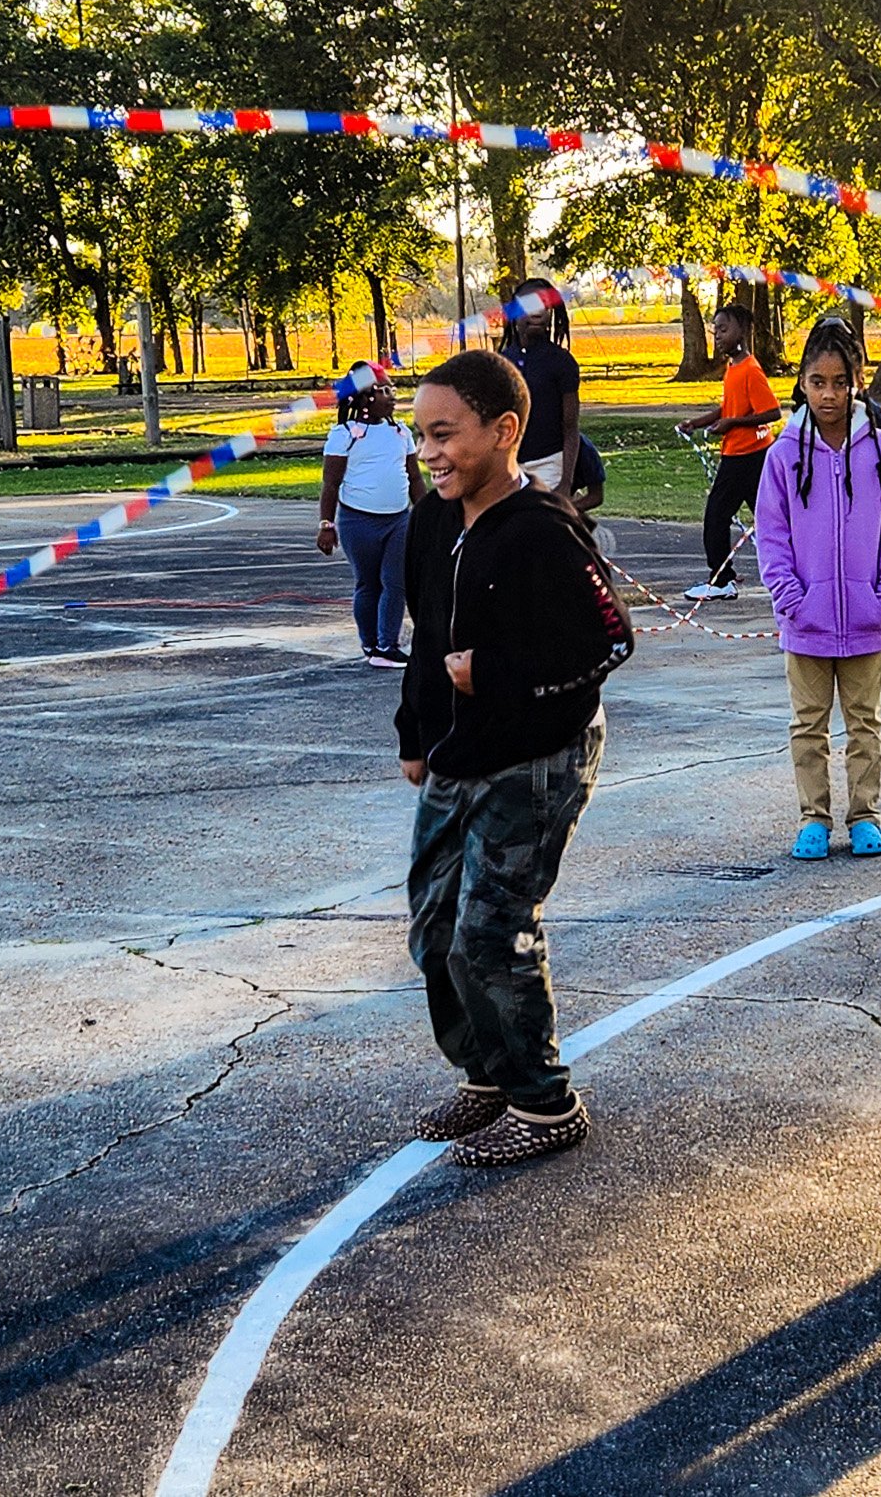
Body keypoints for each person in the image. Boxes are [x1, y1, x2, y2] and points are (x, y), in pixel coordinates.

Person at [396, 349, 634, 1167]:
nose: (429, 453)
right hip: (457, 751)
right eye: (420, 435)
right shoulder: (431, 520)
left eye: (445, 435)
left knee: (491, 932)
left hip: (538, 753)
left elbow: (607, 643)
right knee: (434, 930)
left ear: (503, 432)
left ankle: (544, 1102)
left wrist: (493, 674)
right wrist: (413, 734)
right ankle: (488, 1073)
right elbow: (427, 638)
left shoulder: (544, 531)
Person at [755, 321, 881, 862]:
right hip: (806, 621)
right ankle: (813, 819)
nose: (829, 394)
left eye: (840, 382)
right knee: (808, 726)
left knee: (866, 724)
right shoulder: (782, 457)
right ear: (802, 383)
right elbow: (771, 535)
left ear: (858, 382)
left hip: (867, 620)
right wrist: (791, 599)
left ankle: (865, 815)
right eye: (817, 382)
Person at [316, 361, 426, 667]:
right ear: (365, 397)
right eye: (385, 390)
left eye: (393, 390)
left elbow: (415, 479)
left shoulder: (400, 432)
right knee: (368, 583)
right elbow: (331, 484)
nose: (392, 396)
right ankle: (370, 644)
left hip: (398, 520)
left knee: (396, 581)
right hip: (358, 522)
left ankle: (386, 645)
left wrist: (429, 513)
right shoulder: (346, 434)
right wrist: (326, 524)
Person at [680, 304, 781, 600]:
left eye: (723, 330)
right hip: (742, 455)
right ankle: (794, 570)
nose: (718, 336)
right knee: (770, 519)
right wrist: (697, 423)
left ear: (743, 332)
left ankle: (721, 581)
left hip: (746, 457)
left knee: (716, 517)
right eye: (715, 331)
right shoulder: (733, 368)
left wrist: (732, 424)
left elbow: (772, 411)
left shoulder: (751, 369)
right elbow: (731, 407)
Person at [499, 277, 582, 496]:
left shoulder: (561, 362)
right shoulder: (502, 361)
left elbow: (571, 426)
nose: (538, 313)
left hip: (549, 463)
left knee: (541, 526)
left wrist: (566, 482)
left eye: (545, 307)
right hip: (509, 463)